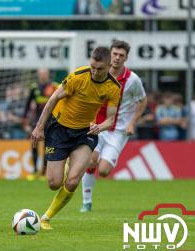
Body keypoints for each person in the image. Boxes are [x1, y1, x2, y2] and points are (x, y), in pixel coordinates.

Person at [31, 47, 121, 230]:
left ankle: (46, 218)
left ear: (109, 65)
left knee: (73, 181)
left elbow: (111, 119)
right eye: (93, 67)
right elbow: (53, 99)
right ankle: (64, 165)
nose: (95, 71)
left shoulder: (113, 87)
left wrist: (99, 127)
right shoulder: (78, 76)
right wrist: (40, 127)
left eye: (100, 68)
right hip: (59, 129)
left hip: (84, 133)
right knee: (54, 183)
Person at [79, 40, 147, 212]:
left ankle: (88, 192)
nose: (117, 58)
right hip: (96, 127)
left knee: (103, 171)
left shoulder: (133, 80)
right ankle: (86, 202)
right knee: (91, 161)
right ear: (109, 55)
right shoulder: (98, 72)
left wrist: (132, 122)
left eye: (121, 55)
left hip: (118, 131)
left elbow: (143, 101)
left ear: (126, 58)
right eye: (114, 54)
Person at [23, 68, 58, 180]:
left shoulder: (54, 86)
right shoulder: (34, 87)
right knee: (34, 145)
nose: (43, 76)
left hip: (50, 121)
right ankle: (34, 171)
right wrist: (24, 117)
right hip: (37, 121)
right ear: (38, 75)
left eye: (45, 74)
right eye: (41, 74)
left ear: (48, 74)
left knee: (47, 147)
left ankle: (43, 172)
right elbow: (28, 103)